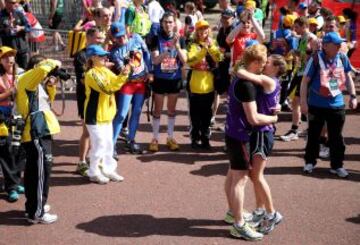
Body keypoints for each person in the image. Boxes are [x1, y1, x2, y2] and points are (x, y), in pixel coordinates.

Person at [224, 44, 278, 241]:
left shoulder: (240, 77)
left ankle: (232, 212)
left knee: (232, 175)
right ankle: (238, 225)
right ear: (255, 62)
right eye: (263, 63)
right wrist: (273, 119)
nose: (264, 66)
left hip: (231, 132)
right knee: (240, 179)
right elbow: (253, 118)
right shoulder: (246, 85)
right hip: (240, 135)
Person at [234, 53, 286, 234]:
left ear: (276, 68)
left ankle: (272, 213)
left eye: (268, 62)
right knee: (254, 175)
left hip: (263, 132)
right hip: (260, 132)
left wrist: (241, 65)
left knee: (257, 175)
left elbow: (241, 73)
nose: (264, 64)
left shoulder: (269, 80)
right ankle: (259, 210)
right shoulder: (268, 81)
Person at [300, 32, 357, 178]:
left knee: (336, 137)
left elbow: (349, 78)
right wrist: (303, 102)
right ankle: (310, 162)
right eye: (336, 43)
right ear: (325, 45)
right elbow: (305, 81)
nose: (339, 45)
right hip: (316, 104)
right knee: (313, 135)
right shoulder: (315, 59)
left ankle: (337, 166)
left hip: (337, 105)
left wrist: (353, 96)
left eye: (340, 43)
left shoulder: (342, 57)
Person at [16, 55, 63, 224]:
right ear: (36, 66)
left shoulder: (34, 82)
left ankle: (34, 206)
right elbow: (43, 69)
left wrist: (50, 86)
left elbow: (46, 102)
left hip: (40, 129)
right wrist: (54, 62)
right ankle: (38, 212)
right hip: (37, 131)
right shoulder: (28, 77)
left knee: (33, 172)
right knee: (42, 172)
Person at [84, 44, 130, 184]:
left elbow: (115, 81)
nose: (105, 57)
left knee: (109, 144)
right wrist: (123, 76)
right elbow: (108, 90)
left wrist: (124, 73)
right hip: (94, 116)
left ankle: (108, 169)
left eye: (105, 55)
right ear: (92, 58)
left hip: (107, 115)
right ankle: (93, 171)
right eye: (101, 55)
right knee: (100, 144)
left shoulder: (104, 70)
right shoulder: (91, 74)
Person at [109, 22, 152, 155]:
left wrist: (149, 71)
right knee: (121, 114)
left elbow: (146, 54)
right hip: (127, 84)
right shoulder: (115, 52)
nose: (120, 39)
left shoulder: (137, 38)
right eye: (117, 37)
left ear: (126, 32)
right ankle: (112, 144)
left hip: (141, 83)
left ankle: (131, 140)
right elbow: (122, 69)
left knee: (137, 112)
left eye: (122, 35)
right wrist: (127, 67)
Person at [148, 11, 187, 152]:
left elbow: (185, 60)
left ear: (175, 23)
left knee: (171, 110)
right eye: (165, 22)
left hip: (174, 79)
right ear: (161, 23)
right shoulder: (155, 38)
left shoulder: (181, 39)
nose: (168, 24)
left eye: (171, 22)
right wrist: (168, 48)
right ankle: (155, 138)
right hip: (160, 79)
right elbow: (155, 60)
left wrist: (176, 46)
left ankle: (170, 137)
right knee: (157, 110)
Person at [73, 27, 105, 176]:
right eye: (98, 38)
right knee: (87, 131)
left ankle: (96, 160)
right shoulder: (81, 55)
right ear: (89, 38)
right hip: (86, 97)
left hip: (101, 98)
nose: (101, 41)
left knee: (99, 130)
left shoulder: (101, 53)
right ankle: (81, 162)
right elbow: (82, 78)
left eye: (101, 38)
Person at [186, 20, 223, 149]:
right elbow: (190, 61)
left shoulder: (213, 43)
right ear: (197, 31)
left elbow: (219, 58)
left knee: (207, 115)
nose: (203, 32)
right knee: (195, 116)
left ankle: (206, 140)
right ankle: (195, 139)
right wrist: (203, 50)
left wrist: (211, 47)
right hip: (195, 85)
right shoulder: (192, 45)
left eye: (206, 29)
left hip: (209, 85)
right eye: (201, 29)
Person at [280, 16, 317, 142]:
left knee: (304, 103)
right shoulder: (303, 38)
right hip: (300, 72)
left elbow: (314, 56)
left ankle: (311, 129)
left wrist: (294, 51)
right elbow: (302, 54)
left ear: (304, 26)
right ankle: (295, 129)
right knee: (296, 102)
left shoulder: (312, 38)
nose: (294, 29)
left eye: (297, 27)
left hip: (307, 75)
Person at [0, 46, 24, 202]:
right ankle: (11, 187)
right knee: (7, 151)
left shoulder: (20, 73)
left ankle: (15, 180)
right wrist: (10, 92)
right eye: (6, 56)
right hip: (2, 118)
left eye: (12, 55)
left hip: (19, 116)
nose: (10, 58)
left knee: (19, 149)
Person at [0, 0, 31, 69]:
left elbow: (29, 27)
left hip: (21, 48)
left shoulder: (19, 13)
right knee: (9, 70)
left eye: (15, 2)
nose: (15, 4)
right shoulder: (1, 15)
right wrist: (6, 29)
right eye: (12, 2)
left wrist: (21, 28)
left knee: (24, 69)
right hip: (9, 50)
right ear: (6, 2)